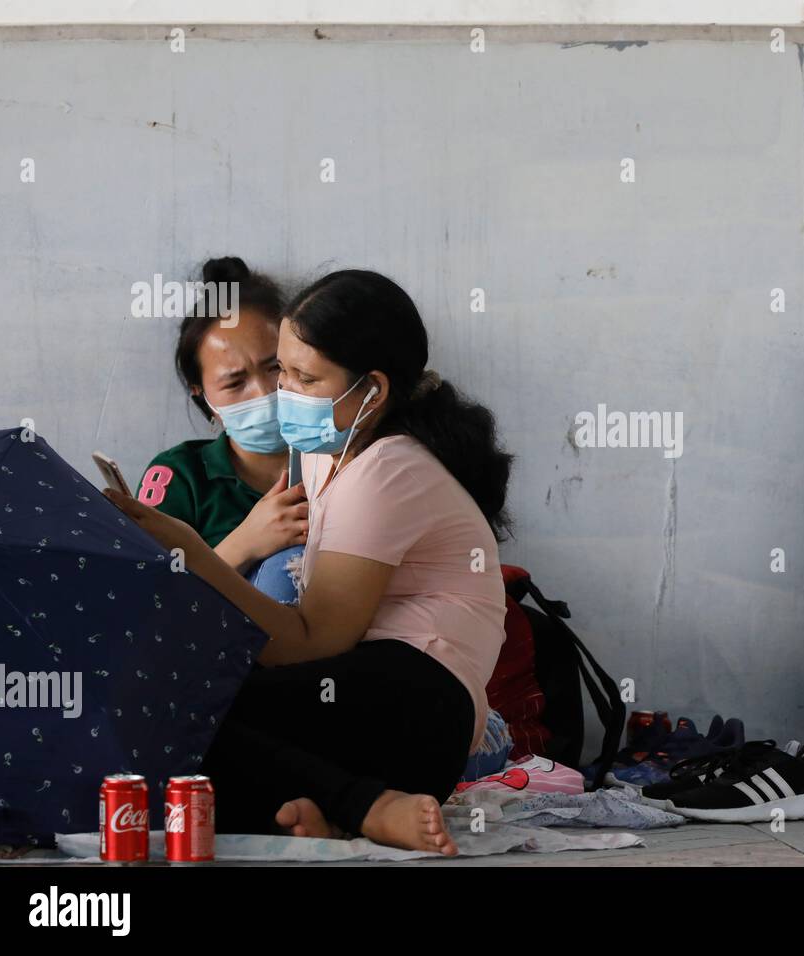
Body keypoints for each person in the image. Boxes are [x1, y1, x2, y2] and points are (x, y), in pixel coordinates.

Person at [107, 269, 513, 855]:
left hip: (418, 702)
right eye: (282, 369)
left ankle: (364, 805)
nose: (281, 395)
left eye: (301, 377)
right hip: (355, 695)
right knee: (166, 733)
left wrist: (193, 553)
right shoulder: (328, 452)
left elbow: (309, 640)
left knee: (180, 711)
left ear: (371, 390)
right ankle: (336, 808)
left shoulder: (389, 469)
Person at [138, 256, 307, 594]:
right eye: (234, 383)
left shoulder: (346, 457)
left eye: (275, 367)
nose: (263, 392)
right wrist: (244, 544)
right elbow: (151, 601)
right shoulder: (178, 477)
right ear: (202, 395)